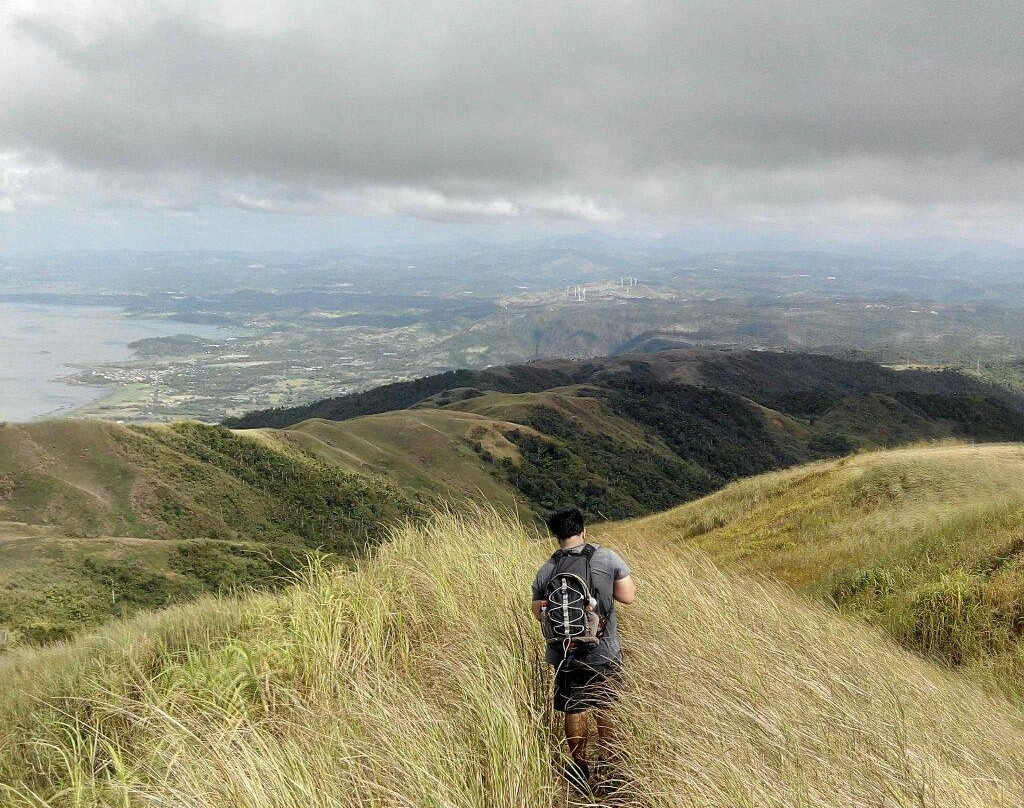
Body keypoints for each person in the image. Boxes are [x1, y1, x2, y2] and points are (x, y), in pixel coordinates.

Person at [531, 507, 636, 788]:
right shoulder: (606, 557)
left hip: (566, 652)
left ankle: (579, 768)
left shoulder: (547, 569)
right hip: (604, 650)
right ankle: (608, 765)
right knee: (605, 704)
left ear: (556, 536)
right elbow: (628, 597)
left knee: (573, 708)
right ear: (583, 531)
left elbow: (537, 612)